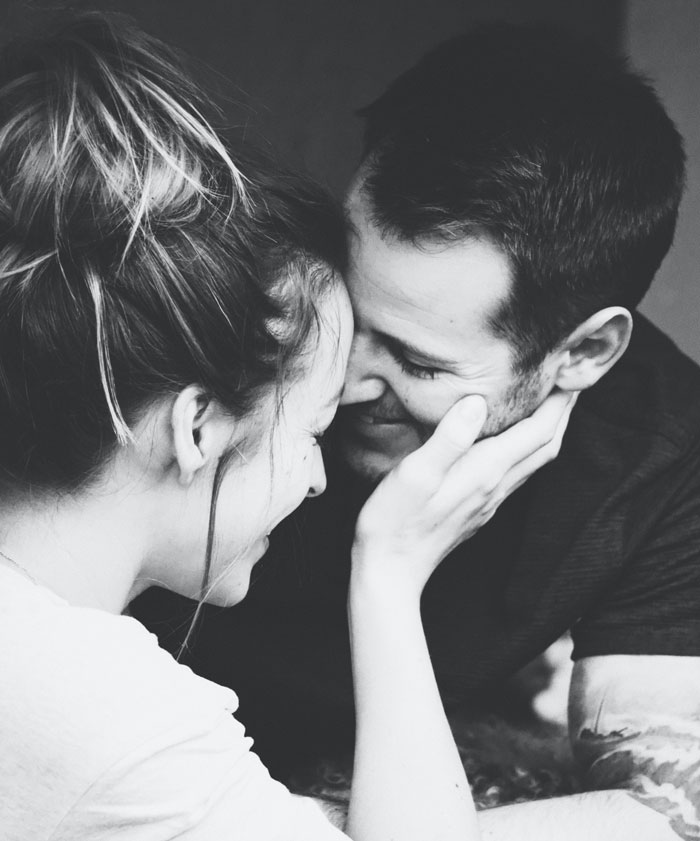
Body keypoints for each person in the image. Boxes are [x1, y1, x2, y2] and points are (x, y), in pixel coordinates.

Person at [0, 12, 576, 840]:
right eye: (308, 432)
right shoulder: (122, 727)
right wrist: (390, 573)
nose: (316, 476)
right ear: (198, 427)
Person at [138, 23, 700, 841]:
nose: (341, 381)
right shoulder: (213, 297)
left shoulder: (661, 448)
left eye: (416, 361)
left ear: (583, 352)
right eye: (349, 309)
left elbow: (668, 807)